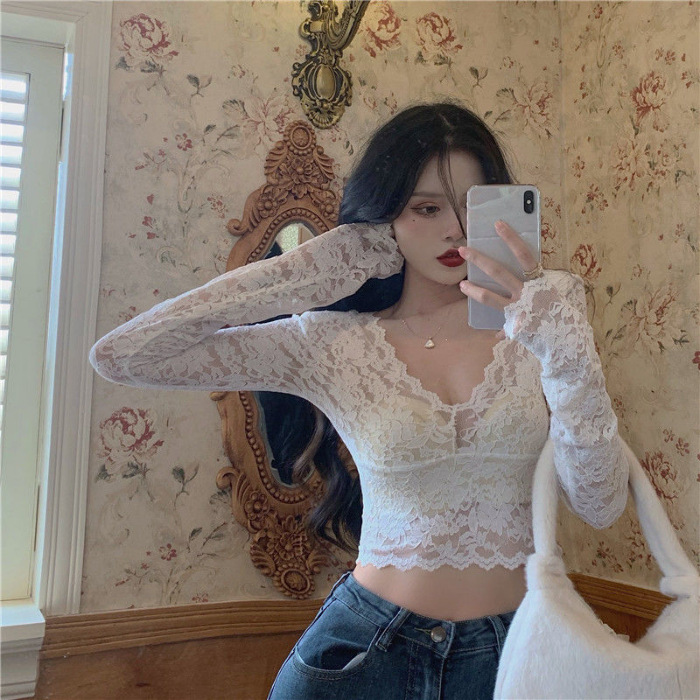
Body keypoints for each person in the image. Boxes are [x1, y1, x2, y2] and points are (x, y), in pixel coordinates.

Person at [90, 103, 629, 699]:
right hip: (367, 656)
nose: (454, 229)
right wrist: (307, 273)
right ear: (383, 217)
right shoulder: (330, 343)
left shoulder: (543, 327)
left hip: (519, 657)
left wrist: (569, 354)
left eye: (470, 206)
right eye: (426, 208)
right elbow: (125, 356)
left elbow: (600, 504)